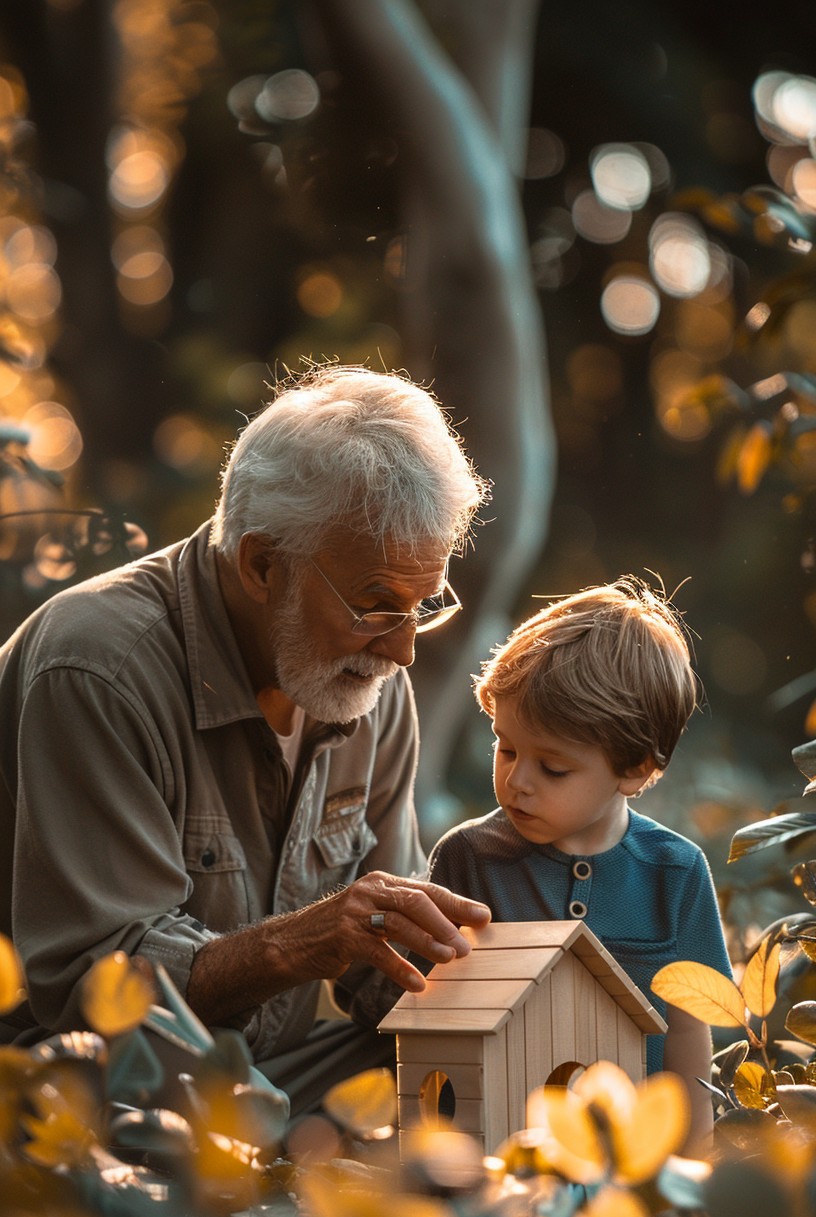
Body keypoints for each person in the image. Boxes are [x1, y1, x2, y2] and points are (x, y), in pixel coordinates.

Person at [0, 364, 492, 1116]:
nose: (403, 654)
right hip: (74, 1072)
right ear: (264, 564)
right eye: (377, 606)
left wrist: (496, 966)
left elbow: (380, 977)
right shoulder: (99, 668)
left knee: (465, 1091)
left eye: (425, 606)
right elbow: (94, 996)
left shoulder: (365, 679)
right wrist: (302, 942)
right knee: (249, 1133)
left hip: (263, 1078)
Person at [424, 577, 734, 1151]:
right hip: (493, 1152)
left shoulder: (676, 873)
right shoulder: (468, 859)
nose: (517, 781)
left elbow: (690, 1036)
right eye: (506, 747)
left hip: (630, 1161)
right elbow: (435, 1034)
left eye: (554, 768)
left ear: (635, 769)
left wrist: (692, 1167)